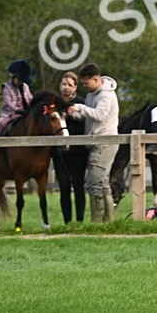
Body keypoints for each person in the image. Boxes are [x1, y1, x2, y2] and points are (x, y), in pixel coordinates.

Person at [68, 63, 119, 223]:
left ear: (96, 79)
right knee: (102, 183)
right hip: (96, 142)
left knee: (93, 183)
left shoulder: (106, 95)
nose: (84, 85)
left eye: (86, 82)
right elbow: (89, 116)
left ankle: (96, 223)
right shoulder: (92, 94)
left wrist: (80, 107)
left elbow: (100, 115)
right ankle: (108, 222)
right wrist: (74, 114)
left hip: (105, 142)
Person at [51, 70, 88, 224]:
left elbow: (86, 122)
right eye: (64, 84)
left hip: (78, 152)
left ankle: (79, 221)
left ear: (75, 88)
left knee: (78, 186)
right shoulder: (54, 103)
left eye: (70, 85)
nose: (66, 87)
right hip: (60, 153)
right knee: (64, 186)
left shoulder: (81, 102)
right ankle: (67, 222)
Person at [0, 59, 34, 155]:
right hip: (10, 112)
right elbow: (8, 103)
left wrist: (32, 105)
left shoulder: (25, 86)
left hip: (25, 112)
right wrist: (18, 110)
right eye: (19, 80)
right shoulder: (6, 88)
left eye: (22, 80)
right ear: (14, 77)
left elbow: (29, 97)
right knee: (1, 123)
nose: (20, 82)